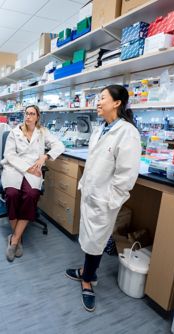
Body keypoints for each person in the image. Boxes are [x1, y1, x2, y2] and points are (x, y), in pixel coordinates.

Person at [65, 85, 141, 312]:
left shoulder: (128, 132)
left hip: (104, 198)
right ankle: (86, 272)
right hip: (91, 192)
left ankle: (88, 280)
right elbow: (93, 163)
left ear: (117, 103)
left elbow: (126, 175)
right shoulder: (101, 130)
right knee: (90, 238)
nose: (97, 103)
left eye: (102, 99)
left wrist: (111, 200)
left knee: (96, 240)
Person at [1, 105, 65, 262]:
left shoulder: (42, 132)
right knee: (12, 194)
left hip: (34, 170)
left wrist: (45, 156)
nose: (28, 116)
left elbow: (59, 145)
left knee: (31, 194)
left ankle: (15, 238)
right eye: (26, 113)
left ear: (37, 117)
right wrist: (27, 168)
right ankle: (18, 238)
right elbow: (9, 155)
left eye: (32, 114)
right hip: (15, 168)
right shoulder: (14, 132)